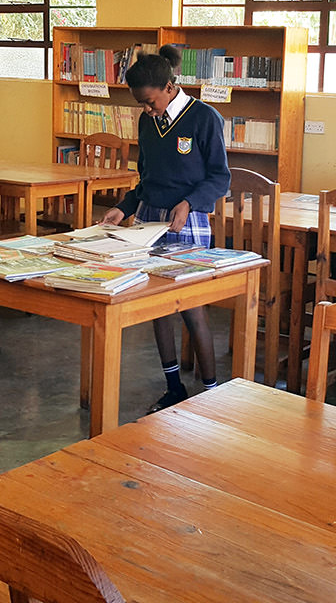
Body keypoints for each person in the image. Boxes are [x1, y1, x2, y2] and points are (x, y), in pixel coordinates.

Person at [102, 45, 231, 412]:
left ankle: (210, 394)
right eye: (141, 104)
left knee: (191, 308)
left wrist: (189, 203)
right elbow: (147, 179)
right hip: (148, 219)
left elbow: (220, 177)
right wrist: (122, 207)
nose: (147, 109)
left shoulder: (204, 118)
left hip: (187, 219)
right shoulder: (148, 122)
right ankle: (174, 388)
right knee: (156, 308)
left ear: (169, 86)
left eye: (150, 102)